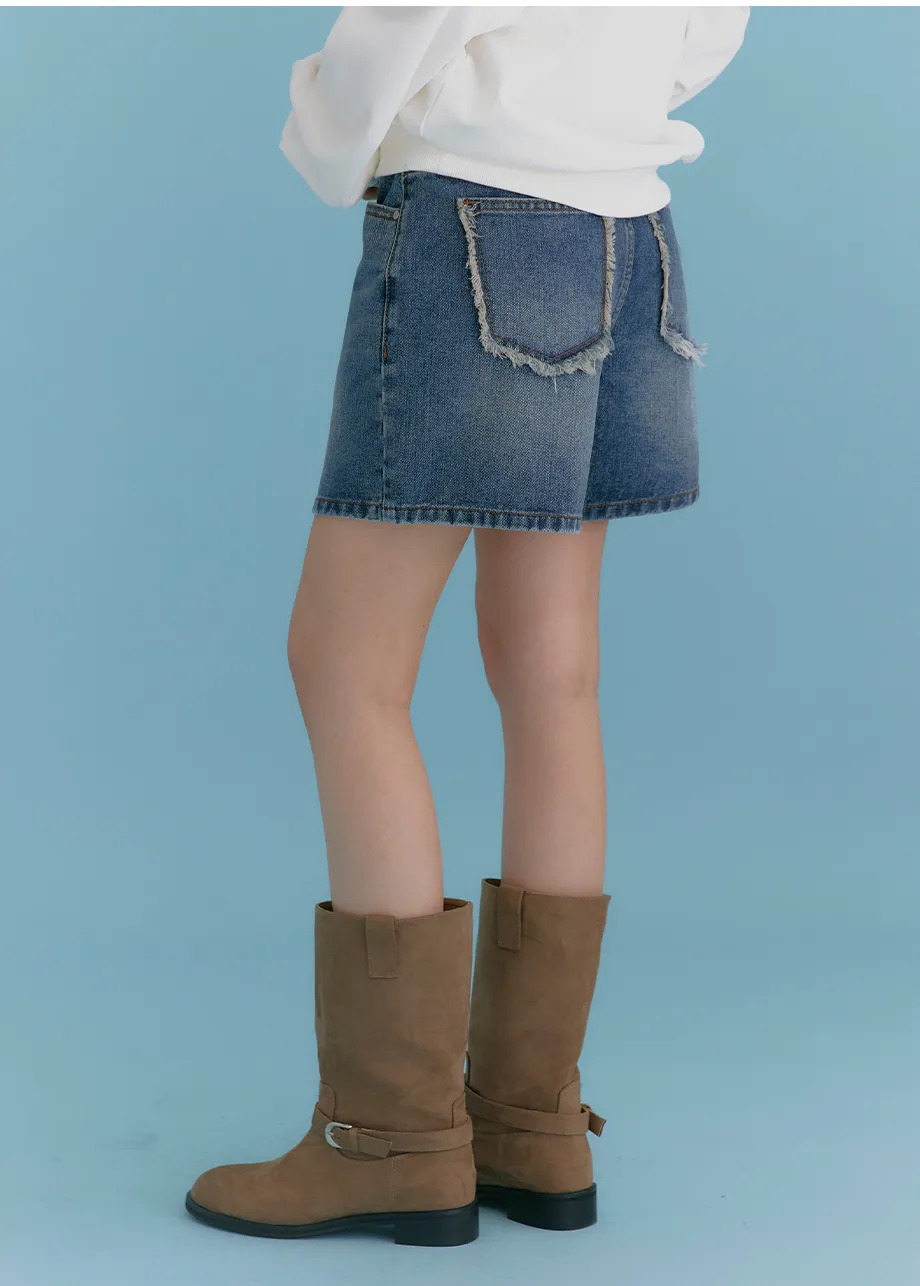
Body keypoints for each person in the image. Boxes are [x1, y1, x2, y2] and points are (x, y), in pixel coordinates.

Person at [185, 4, 750, 1247]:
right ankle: (529, 1118)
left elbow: (404, 25)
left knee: (346, 665)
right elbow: (707, 26)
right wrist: (600, 103)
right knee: (550, 670)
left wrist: (328, 133)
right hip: (630, 233)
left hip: (476, 225)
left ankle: (389, 1137)